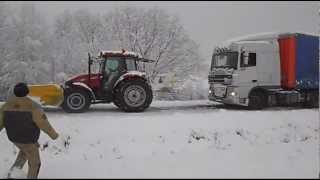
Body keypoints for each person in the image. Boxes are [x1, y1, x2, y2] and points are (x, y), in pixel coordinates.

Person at [0, 82, 59, 179]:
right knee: (35, 163)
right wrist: (54, 135)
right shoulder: (33, 106)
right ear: (27, 92)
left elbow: (0, 122)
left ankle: (12, 174)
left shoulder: (6, 105)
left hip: (13, 138)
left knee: (24, 152)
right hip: (28, 139)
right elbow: (43, 123)